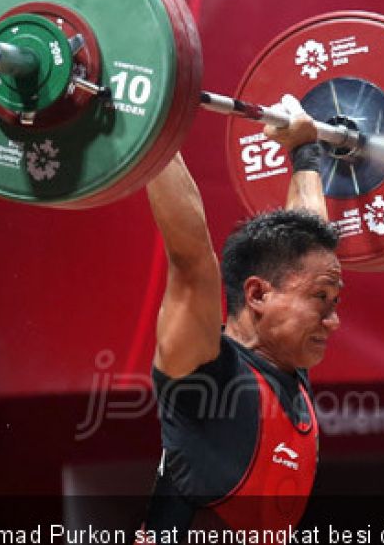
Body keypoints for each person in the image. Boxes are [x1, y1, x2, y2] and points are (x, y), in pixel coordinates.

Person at [141, 96, 343, 533]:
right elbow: (191, 258)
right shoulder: (204, 375)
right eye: (320, 300)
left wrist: (305, 151)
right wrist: (148, 122)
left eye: (333, 301)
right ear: (257, 294)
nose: (333, 321)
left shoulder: (286, 367)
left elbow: (307, 243)